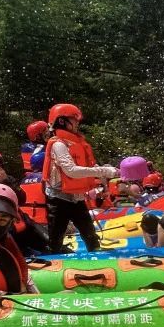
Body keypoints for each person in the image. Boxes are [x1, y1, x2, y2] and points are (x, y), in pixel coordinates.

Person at [42, 103, 118, 253]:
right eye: (74, 119)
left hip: (76, 198)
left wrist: (103, 177)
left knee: (90, 236)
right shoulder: (58, 145)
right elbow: (72, 171)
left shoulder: (76, 143)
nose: (77, 123)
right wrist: (103, 171)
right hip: (59, 200)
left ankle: (97, 258)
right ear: (62, 121)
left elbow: (89, 166)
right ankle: (53, 263)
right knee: (55, 239)